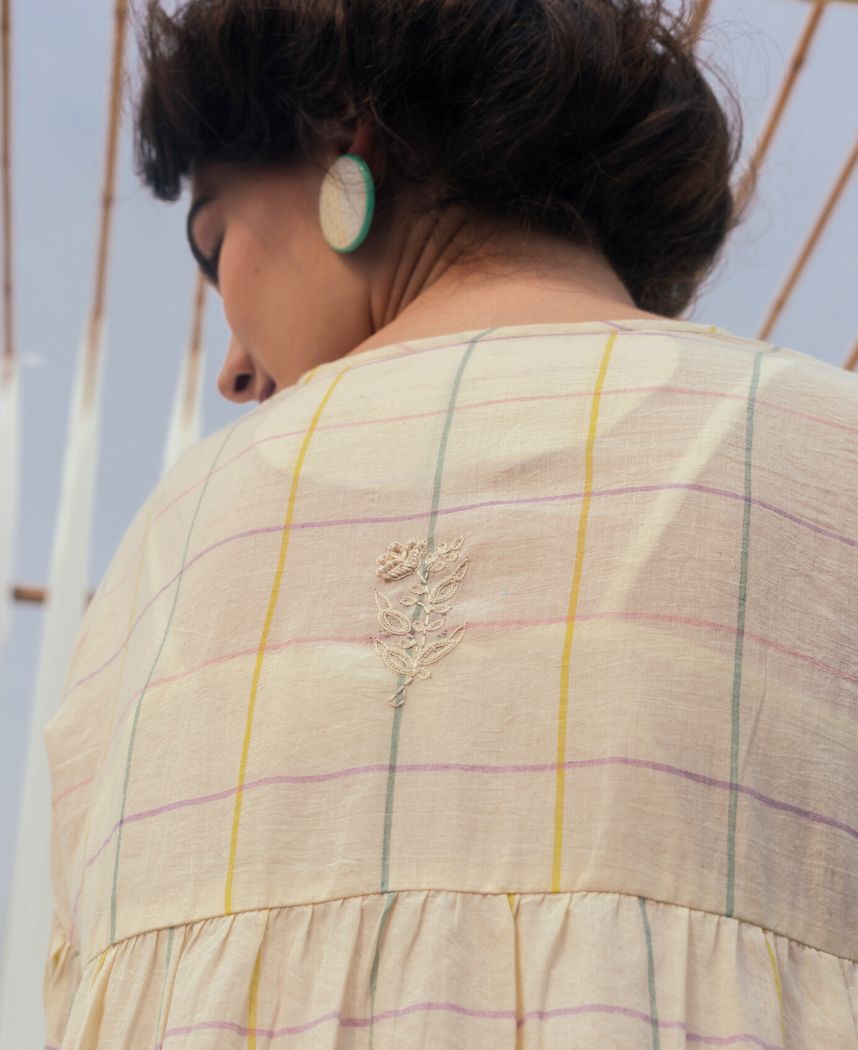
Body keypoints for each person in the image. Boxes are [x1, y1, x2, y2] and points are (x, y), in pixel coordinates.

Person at [42, 0, 858, 1046]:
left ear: (344, 136)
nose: (234, 370)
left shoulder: (177, 536)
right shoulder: (831, 453)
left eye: (214, 244)